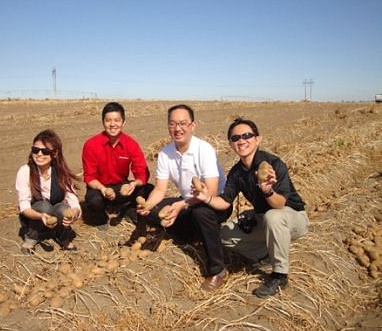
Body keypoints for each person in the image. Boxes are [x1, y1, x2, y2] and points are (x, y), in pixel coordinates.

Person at [192, 117, 309, 298]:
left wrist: (268, 191)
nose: (241, 140)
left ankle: (280, 274)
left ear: (257, 139)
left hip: (292, 217)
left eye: (247, 135)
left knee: (274, 217)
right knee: (222, 234)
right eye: (235, 138)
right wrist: (206, 197)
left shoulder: (272, 164)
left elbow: (279, 204)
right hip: (264, 218)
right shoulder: (237, 172)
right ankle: (266, 255)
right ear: (231, 144)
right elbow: (225, 201)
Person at [137, 104, 232, 291]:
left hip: (215, 203)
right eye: (172, 123)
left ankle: (217, 270)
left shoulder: (204, 149)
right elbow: (159, 189)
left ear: (192, 125)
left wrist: (181, 204)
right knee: (156, 211)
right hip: (187, 201)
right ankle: (193, 234)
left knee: (201, 214)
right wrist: (148, 205)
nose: (177, 128)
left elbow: (211, 192)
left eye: (182, 123)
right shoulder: (165, 153)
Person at [82, 102, 153, 229]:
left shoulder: (131, 144)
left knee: (149, 189)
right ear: (103, 122)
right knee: (93, 201)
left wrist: (134, 184)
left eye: (117, 120)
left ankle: (129, 209)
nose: (113, 124)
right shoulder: (91, 145)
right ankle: (101, 218)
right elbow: (89, 176)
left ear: (123, 122)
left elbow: (141, 172)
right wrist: (103, 189)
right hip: (100, 189)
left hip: (122, 188)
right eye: (108, 120)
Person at [16, 129, 81, 253]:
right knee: (44, 206)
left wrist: (74, 213)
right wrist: (41, 216)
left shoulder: (61, 172)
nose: (39, 154)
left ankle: (62, 236)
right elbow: (24, 206)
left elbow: (72, 200)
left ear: (55, 153)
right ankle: (31, 237)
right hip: (35, 214)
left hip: (55, 212)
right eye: (35, 150)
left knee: (63, 208)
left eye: (45, 151)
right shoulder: (25, 171)